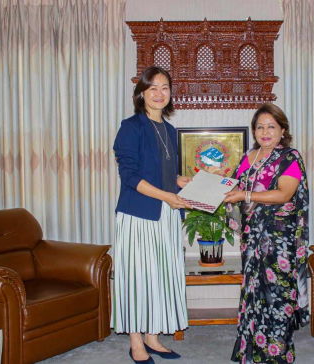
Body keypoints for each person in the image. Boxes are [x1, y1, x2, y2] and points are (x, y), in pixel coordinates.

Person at [112, 66, 192, 364]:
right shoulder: (130, 127)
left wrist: (183, 182)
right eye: (153, 88)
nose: (159, 93)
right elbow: (130, 177)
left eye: (165, 87)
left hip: (167, 214)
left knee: (159, 276)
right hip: (139, 215)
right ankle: (135, 342)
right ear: (141, 93)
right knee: (137, 278)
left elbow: (164, 175)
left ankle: (152, 337)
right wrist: (167, 196)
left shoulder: (170, 130)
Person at [224, 103, 310, 364]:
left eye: (271, 126)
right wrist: (206, 183)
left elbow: (284, 193)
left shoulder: (289, 157)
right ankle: (250, 352)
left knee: (276, 295)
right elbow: (234, 186)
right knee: (252, 292)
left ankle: (276, 355)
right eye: (260, 126)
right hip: (252, 238)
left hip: (278, 240)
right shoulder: (249, 157)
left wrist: (246, 194)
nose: (265, 131)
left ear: (282, 130)